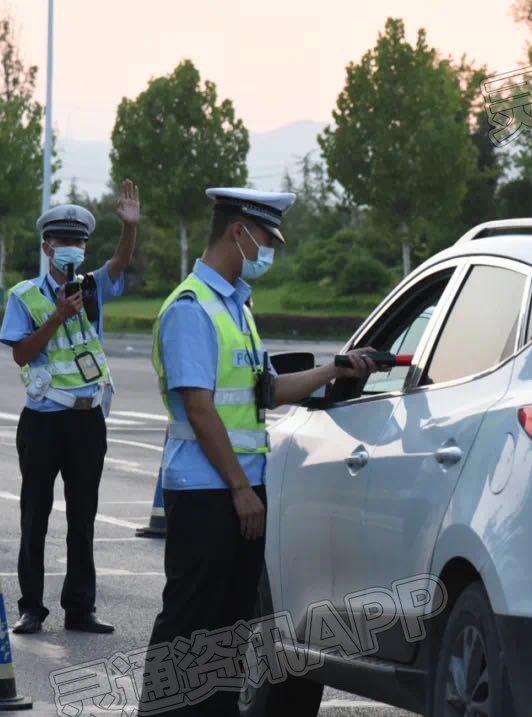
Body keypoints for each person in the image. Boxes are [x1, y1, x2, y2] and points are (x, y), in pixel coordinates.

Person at [140, 188, 379, 715]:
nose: (268, 250)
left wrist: (334, 370)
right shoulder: (191, 308)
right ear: (237, 232)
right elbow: (200, 407)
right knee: (189, 626)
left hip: (240, 491)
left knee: (228, 630)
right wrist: (242, 489)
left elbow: (265, 390)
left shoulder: (237, 306)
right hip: (208, 492)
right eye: (266, 239)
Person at [0, 179, 141, 635]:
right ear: (47, 246)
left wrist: (130, 228)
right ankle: (31, 608)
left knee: (83, 520)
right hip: (42, 421)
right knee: (34, 517)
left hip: (85, 420)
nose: (72, 248)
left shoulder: (94, 288)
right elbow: (21, 354)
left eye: (79, 241)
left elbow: (119, 263)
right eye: (64, 241)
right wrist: (57, 316)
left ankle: (80, 608)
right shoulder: (25, 295)